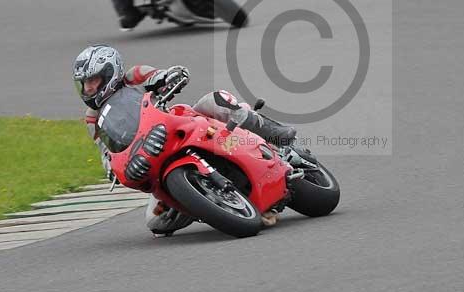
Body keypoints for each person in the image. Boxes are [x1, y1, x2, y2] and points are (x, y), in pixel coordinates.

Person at [72, 44, 298, 234]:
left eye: (93, 80)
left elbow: (157, 75)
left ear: (111, 72)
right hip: (151, 155)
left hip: (175, 126)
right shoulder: (92, 118)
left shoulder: (133, 76)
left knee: (214, 101)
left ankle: (273, 133)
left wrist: (169, 76)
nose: (88, 88)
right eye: (84, 83)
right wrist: (111, 167)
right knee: (155, 222)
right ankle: (206, 203)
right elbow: (105, 150)